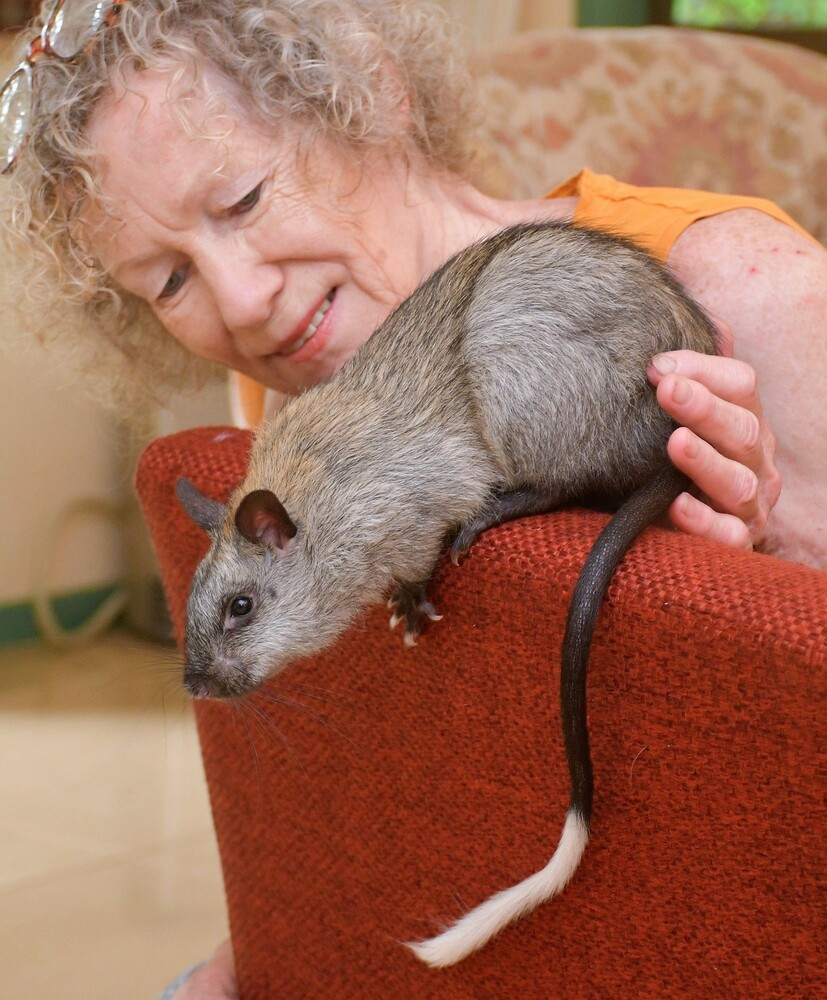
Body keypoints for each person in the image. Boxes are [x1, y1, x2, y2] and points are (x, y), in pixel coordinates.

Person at [2, 1, 824, 996]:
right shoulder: (302, 386)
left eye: (245, 199)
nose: (239, 302)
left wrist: (741, 586)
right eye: (169, 278)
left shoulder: (746, 288)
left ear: (372, 97)